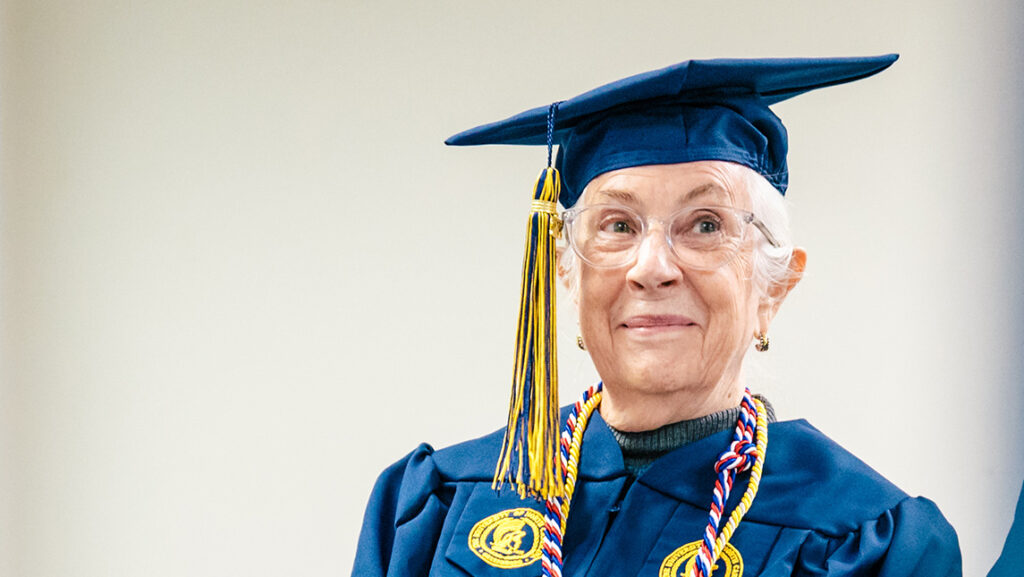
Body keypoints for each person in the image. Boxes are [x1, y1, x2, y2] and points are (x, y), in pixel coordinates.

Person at [352, 55, 962, 576]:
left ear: (774, 288)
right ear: (567, 274)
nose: (653, 267)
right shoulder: (438, 503)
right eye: (618, 226)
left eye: (705, 226)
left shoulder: (865, 543)